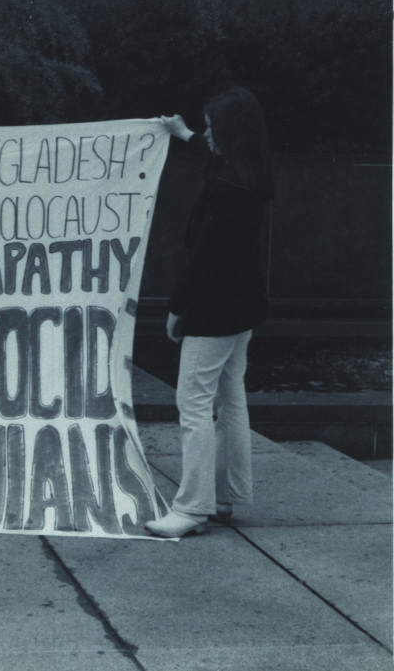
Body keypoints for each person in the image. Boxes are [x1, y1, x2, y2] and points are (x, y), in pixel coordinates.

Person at [145, 87, 273, 538]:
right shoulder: (250, 171)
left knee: (194, 403)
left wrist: (177, 308)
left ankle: (191, 509)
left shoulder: (226, 188)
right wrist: (183, 133)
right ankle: (223, 497)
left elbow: (202, 258)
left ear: (231, 133)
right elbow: (212, 151)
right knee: (230, 400)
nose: (208, 134)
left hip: (214, 310)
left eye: (213, 127)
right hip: (242, 308)